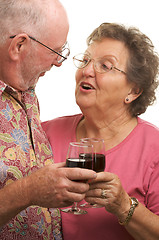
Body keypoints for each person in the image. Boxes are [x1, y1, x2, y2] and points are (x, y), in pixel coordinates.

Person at [42, 22, 159, 240]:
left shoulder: (154, 148)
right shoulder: (44, 133)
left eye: (105, 66)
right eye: (85, 61)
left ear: (133, 91)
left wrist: (124, 206)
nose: (86, 71)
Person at [0, 0, 96, 239]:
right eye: (55, 51)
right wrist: (28, 190)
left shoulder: (26, 90)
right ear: (19, 46)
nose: (58, 62)